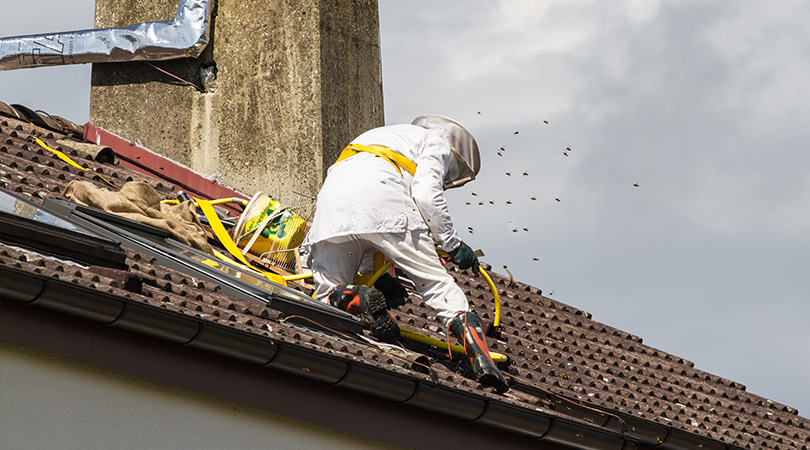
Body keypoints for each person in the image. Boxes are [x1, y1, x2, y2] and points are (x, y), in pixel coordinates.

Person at [303, 115, 509, 393]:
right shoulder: (435, 143)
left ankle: (357, 296)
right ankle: (482, 361)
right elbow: (425, 194)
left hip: (332, 205)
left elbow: (363, 229)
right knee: (438, 286)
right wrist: (453, 245)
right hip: (385, 199)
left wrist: (376, 280)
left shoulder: (381, 136)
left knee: (326, 292)